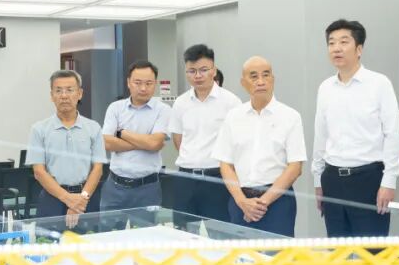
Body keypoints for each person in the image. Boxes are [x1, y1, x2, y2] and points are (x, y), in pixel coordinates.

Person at [312, 19, 399, 241]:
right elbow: (320, 135)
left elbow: (392, 134)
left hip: (368, 179)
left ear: (359, 49)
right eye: (331, 43)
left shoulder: (379, 84)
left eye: (344, 42)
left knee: (372, 253)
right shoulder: (325, 88)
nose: (336, 48)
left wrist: (389, 181)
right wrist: (318, 180)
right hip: (332, 179)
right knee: (338, 251)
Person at [214, 56, 306, 236]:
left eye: (266, 75)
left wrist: (262, 203)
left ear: (273, 79)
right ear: (243, 83)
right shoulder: (233, 117)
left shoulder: (290, 116)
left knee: (277, 253)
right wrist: (242, 201)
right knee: (240, 253)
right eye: (254, 76)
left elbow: (295, 167)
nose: (261, 81)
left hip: (277, 202)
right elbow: (225, 164)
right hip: (240, 201)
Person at [169, 44, 240, 222]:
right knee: (182, 231)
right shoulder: (180, 103)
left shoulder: (231, 102)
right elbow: (178, 139)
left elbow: (238, 143)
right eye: (192, 71)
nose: (198, 76)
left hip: (217, 179)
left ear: (213, 70)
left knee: (219, 231)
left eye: (203, 70)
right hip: (185, 178)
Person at [25, 70, 105, 229]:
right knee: (49, 244)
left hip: (86, 198)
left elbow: (98, 169)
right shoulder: (39, 129)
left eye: (69, 90)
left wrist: (81, 200)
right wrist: (68, 199)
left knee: (89, 243)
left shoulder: (93, 128)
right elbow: (39, 172)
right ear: (51, 95)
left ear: (80, 93)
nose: (64, 96)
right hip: (52, 199)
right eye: (58, 90)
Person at [100, 61, 171, 213]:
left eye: (148, 83)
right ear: (128, 82)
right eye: (137, 83)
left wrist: (121, 133)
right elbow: (106, 143)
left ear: (155, 83)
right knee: (109, 228)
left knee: (146, 229)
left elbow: (154, 144)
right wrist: (146, 143)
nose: (143, 88)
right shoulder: (115, 108)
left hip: (147, 188)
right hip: (115, 186)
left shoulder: (163, 110)